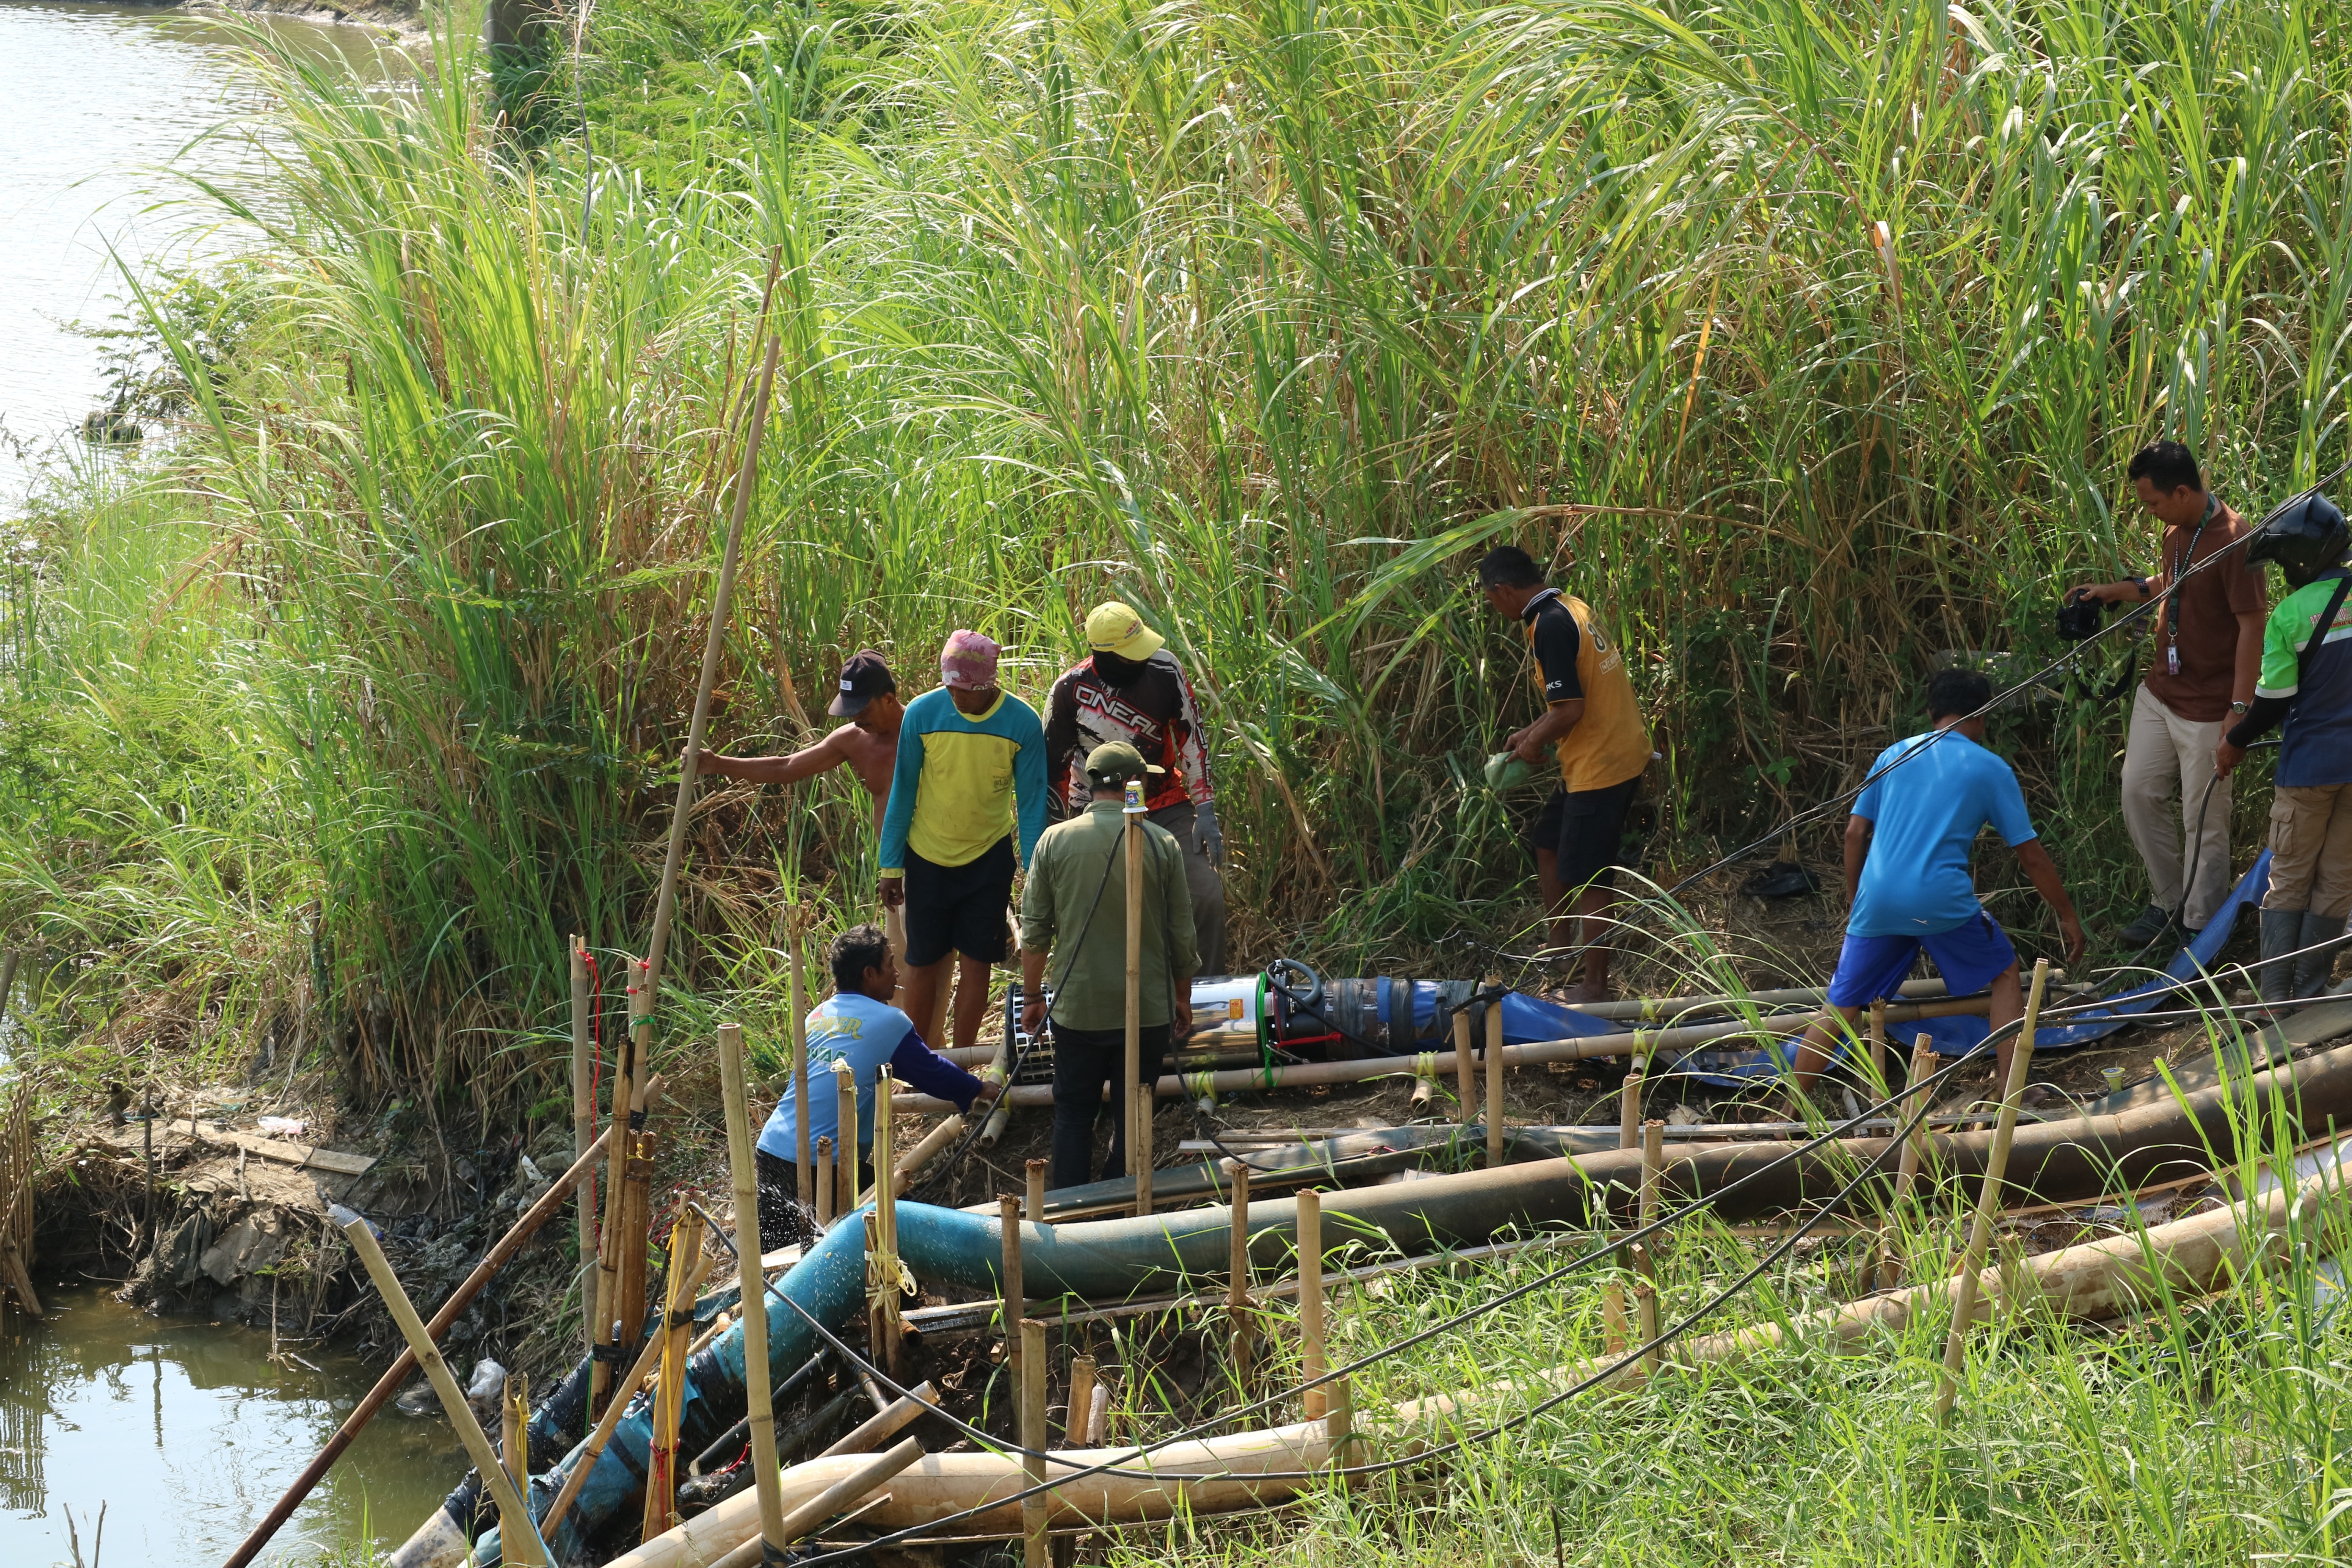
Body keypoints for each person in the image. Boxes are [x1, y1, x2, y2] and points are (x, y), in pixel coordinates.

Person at [1790, 668, 2086, 1098]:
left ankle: (1786, 1114)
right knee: (2004, 972)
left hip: (1878, 900)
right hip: (1938, 899)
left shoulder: (1893, 754)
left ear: (1932, 712)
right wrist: (2067, 915)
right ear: (1982, 716)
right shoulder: (1990, 768)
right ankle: (2011, 1089)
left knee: (1841, 1006)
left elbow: (1854, 833)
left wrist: (1857, 899)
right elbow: (2032, 855)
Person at [2067, 441, 2266, 950]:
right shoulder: (2178, 531)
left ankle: (2202, 929)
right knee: (2138, 793)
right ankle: (2168, 902)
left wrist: (2239, 712)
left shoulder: (2235, 539)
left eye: (2153, 502)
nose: (2148, 512)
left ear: (2182, 491)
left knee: (2203, 819)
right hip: (2161, 693)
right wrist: (2116, 590)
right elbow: (2175, 584)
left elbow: (2252, 626)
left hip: (2210, 707)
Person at [1019, 742, 1199, 1190]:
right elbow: (1182, 931)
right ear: (1134, 786)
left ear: (1089, 784)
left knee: (1074, 1113)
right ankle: (1122, 1207)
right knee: (1134, 1116)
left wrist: (1034, 996)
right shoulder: (1161, 843)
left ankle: (1068, 1212)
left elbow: (1035, 932)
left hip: (1078, 1010)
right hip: (1146, 1011)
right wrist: (1181, 995)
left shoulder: (1054, 841)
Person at [1477, 545, 1653, 1001]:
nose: (1494, 608)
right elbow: (1573, 700)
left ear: (1505, 590)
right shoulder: (1569, 606)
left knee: (1589, 875)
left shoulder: (1549, 627)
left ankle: (1596, 986)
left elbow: (1571, 709)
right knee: (1548, 843)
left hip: (1603, 764)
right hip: (1608, 749)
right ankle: (1560, 947)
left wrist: (1535, 742)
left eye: (1491, 599)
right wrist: (1530, 731)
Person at [753, 924, 1000, 1249]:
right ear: (869, 974)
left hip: (772, 1150)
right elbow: (931, 1073)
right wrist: (978, 1088)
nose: (898, 972)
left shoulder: (818, 1014)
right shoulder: (889, 1021)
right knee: (899, 1226)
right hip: (822, 1162)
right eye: (890, 964)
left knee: (782, 1256)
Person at [878, 629, 1048, 1053]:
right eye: (949, 687)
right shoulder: (922, 713)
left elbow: (1030, 805)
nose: (955, 697)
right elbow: (903, 791)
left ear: (989, 685)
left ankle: (963, 1064)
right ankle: (920, 1065)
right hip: (927, 855)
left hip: (986, 859)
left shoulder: (1021, 723)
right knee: (921, 964)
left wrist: (1036, 873)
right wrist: (890, 865)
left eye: (965, 691)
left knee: (977, 964)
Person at [2216, 494, 2352, 1004]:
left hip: (2309, 771)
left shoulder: (2291, 616)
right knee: (2339, 879)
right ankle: (2311, 990)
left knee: (2291, 875)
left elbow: (2273, 702)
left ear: (2300, 557)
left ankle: (2276, 999)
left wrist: (2234, 741)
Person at [1043, 601, 1228, 972]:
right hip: (1094, 812)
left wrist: (1205, 808)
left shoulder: (1165, 668)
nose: (1142, 658)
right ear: (1102, 655)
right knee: (1099, 911)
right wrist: (1052, 841)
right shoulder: (1069, 691)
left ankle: (1205, 995)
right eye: (1131, 655)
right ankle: (1113, 1008)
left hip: (1164, 803)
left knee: (1205, 896)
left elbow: (1192, 738)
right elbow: (1053, 775)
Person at [691, 650, 903, 837]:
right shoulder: (853, 740)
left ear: (888, 699)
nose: (856, 720)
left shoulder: (926, 728)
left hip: (932, 863)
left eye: (863, 711)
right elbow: (784, 768)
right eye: (851, 712)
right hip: (894, 869)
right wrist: (717, 764)